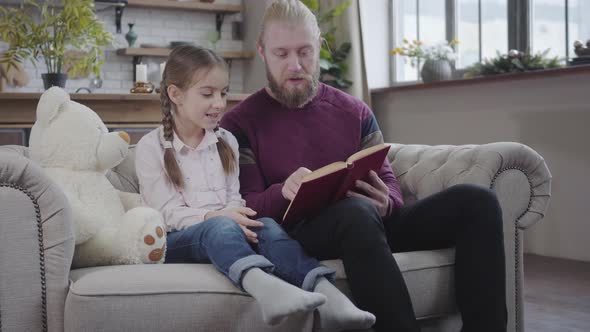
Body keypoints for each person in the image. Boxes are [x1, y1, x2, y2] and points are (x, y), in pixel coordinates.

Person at [220, 1, 508, 331]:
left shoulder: (354, 111)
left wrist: (388, 201)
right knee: (355, 212)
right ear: (262, 51)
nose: (295, 65)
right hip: (299, 234)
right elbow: (247, 206)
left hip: (369, 222)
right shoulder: (240, 123)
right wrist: (283, 191)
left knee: (477, 201)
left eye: (304, 52)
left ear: (319, 47)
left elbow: (386, 176)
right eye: (281, 54)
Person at [135, 45, 376, 330]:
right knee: (221, 226)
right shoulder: (150, 148)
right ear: (175, 95)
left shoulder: (227, 142)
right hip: (178, 240)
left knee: (267, 226)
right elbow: (164, 213)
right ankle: (265, 290)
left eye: (223, 93)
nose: (219, 103)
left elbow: (234, 199)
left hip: (223, 229)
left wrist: (240, 219)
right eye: (207, 93)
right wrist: (217, 218)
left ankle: (329, 297)